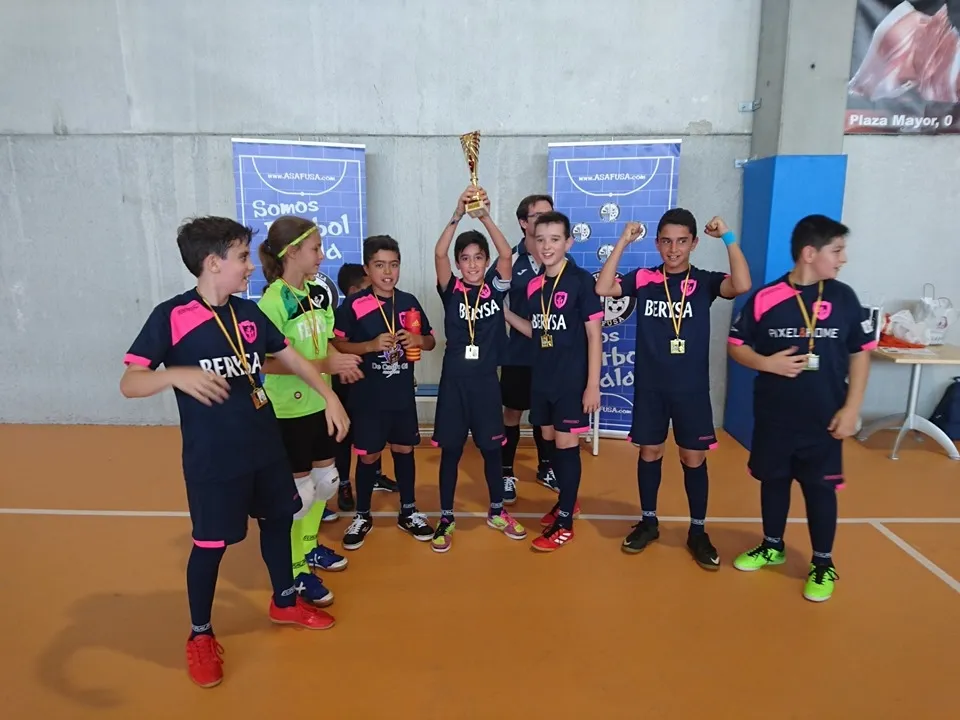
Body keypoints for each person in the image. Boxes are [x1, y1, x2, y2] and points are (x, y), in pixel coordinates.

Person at [119, 216, 351, 689]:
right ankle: (200, 634)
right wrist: (173, 375)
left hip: (264, 449)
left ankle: (284, 601)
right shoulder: (172, 316)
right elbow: (130, 381)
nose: (250, 266)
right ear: (212, 262)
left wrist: (329, 395)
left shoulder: (248, 314)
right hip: (213, 459)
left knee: (278, 521)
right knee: (210, 545)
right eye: (242, 257)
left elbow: (289, 356)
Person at [727, 214, 875, 602]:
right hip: (776, 417)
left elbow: (860, 355)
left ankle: (822, 563)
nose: (843, 259)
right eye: (837, 250)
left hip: (824, 418)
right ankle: (772, 545)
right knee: (774, 480)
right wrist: (767, 363)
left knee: (820, 490)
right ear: (810, 253)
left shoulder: (844, 298)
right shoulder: (765, 298)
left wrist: (852, 408)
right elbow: (736, 346)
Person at [594, 209, 752, 570]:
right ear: (657, 243)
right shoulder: (645, 278)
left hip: (691, 390)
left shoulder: (705, 281)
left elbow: (742, 284)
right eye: (666, 241)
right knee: (649, 453)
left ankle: (697, 531)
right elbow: (603, 288)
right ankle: (649, 522)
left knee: (691, 458)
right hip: (650, 387)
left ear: (694, 243)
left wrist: (727, 235)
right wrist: (622, 240)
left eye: (682, 241)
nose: (673, 249)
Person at [257, 217, 362, 607]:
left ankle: (308, 546)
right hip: (289, 410)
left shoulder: (320, 291)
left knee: (326, 482)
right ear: (292, 253)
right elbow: (266, 363)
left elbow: (326, 346)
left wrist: (340, 361)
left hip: (322, 403)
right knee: (298, 493)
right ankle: (296, 569)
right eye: (315, 248)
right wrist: (324, 365)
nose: (322, 255)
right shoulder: (272, 300)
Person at [430, 186, 526, 552]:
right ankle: (446, 518)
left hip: (486, 384)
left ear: (485, 262)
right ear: (458, 264)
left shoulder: (495, 289)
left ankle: (497, 511)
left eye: (477, 258)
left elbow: (506, 252)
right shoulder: (450, 289)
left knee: (491, 451)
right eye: (465, 259)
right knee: (451, 453)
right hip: (454, 386)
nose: (472, 264)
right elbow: (438, 252)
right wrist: (457, 213)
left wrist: (483, 214)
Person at [504, 211, 602, 552]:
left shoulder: (580, 281)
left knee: (565, 444)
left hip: (570, 380)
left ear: (568, 243)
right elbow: (538, 331)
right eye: (541, 239)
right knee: (546, 436)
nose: (547, 246)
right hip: (541, 377)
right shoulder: (534, 286)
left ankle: (565, 523)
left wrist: (593, 385)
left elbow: (594, 335)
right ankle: (567, 500)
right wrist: (505, 314)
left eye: (555, 239)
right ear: (532, 243)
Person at [332, 235, 437, 550]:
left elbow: (430, 340)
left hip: (402, 395)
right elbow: (337, 344)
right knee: (369, 455)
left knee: (405, 450)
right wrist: (370, 346)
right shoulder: (353, 305)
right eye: (379, 265)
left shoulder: (408, 302)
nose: (387, 272)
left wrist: (418, 342)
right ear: (368, 268)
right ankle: (362, 515)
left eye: (393, 264)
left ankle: (408, 510)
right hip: (368, 398)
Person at [499, 194, 557, 504]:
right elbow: (494, 303)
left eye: (550, 214)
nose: (546, 220)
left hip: (552, 354)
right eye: (538, 216)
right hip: (518, 354)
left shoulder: (561, 260)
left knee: (545, 416)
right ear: (523, 223)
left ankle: (546, 467)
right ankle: (506, 471)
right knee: (512, 412)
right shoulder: (509, 259)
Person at [332, 263, 400, 517]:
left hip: (373, 383)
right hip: (347, 385)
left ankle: (376, 475)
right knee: (346, 436)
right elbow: (337, 346)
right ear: (353, 290)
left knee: (375, 433)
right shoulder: (343, 312)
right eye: (365, 285)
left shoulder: (378, 311)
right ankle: (344, 484)